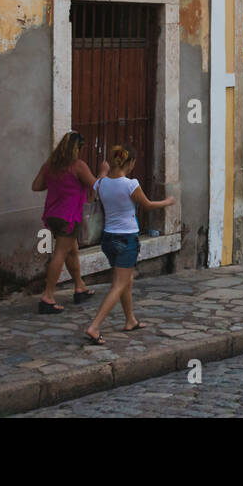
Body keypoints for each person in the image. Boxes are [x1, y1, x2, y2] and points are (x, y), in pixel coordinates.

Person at [83, 145, 177, 345]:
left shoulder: (101, 183)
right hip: (126, 238)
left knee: (126, 280)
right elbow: (148, 205)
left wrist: (102, 172)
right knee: (119, 284)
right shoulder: (130, 184)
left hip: (108, 239)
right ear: (130, 163)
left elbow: (95, 189)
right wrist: (167, 202)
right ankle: (94, 326)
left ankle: (130, 320)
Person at [31, 131, 99, 313]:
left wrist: (56, 183)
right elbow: (96, 185)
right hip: (69, 216)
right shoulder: (78, 166)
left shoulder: (50, 166)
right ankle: (48, 296)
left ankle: (80, 287)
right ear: (77, 149)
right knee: (60, 253)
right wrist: (104, 173)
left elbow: (36, 186)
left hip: (52, 215)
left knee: (72, 251)